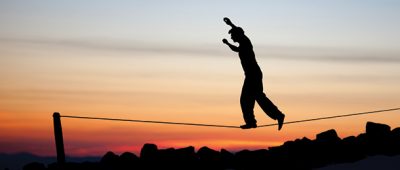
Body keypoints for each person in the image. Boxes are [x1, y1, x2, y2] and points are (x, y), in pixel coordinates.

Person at [222, 17, 285, 130]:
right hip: (251, 75)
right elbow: (236, 49)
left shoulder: (245, 41)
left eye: (232, 36)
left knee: (250, 98)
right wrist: (227, 44)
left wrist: (230, 24)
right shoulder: (242, 46)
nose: (231, 38)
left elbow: (240, 33)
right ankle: (257, 120)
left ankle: (273, 116)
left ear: (237, 35)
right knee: (253, 98)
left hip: (253, 75)